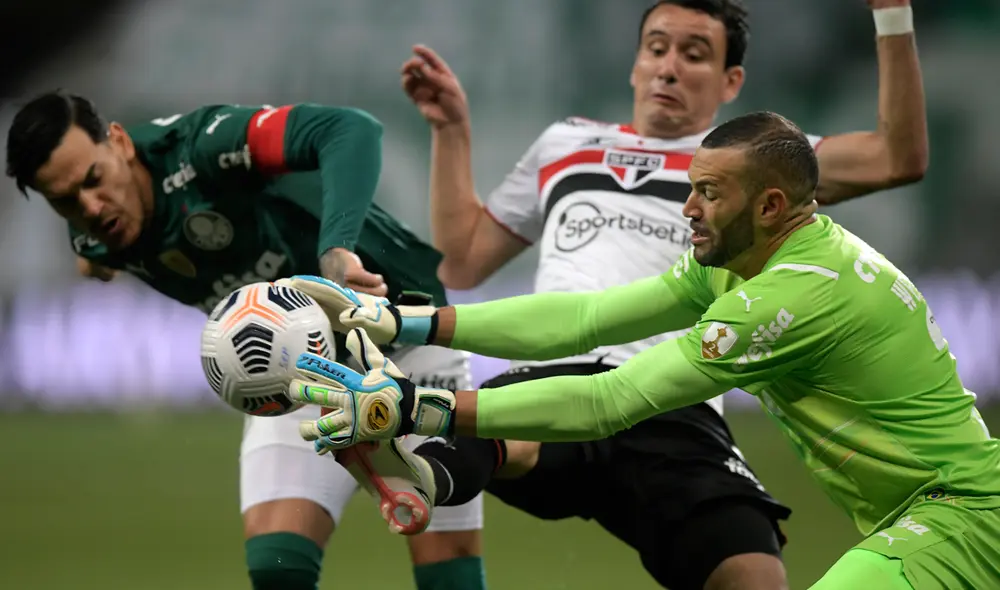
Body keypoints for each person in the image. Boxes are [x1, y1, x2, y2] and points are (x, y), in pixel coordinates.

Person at [337, 0, 926, 588]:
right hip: (555, 369)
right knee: (510, 437)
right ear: (635, 64)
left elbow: (899, 157)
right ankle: (421, 474)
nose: (669, 67)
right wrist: (451, 132)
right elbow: (463, 259)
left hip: (673, 396)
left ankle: (418, 452)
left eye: (694, 54)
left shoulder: (757, 168)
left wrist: (893, 15)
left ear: (731, 81)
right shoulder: (565, 144)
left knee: (754, 571)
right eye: (656, 47)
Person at [286, 110, 1000, 590]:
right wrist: (408, 324)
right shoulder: (741, 260)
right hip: (919, 512)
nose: (687, 209)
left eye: (708, 193)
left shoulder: (787, 297)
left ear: (771, 207)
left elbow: (611, 401)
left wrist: (415, 405)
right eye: (691, 188)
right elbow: (587, 320)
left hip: (959, 516)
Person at [4, 92, 488, 590]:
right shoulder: (94, 231)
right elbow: (92, 248)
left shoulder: (202, 149)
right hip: (298, 370)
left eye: (93, 179)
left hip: (404, 331)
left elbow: (351, 128)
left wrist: (336, 247)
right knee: (277, 567)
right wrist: (95, 260)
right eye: (64, 200)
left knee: (445, 571)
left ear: (121, 143)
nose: (89, 205)